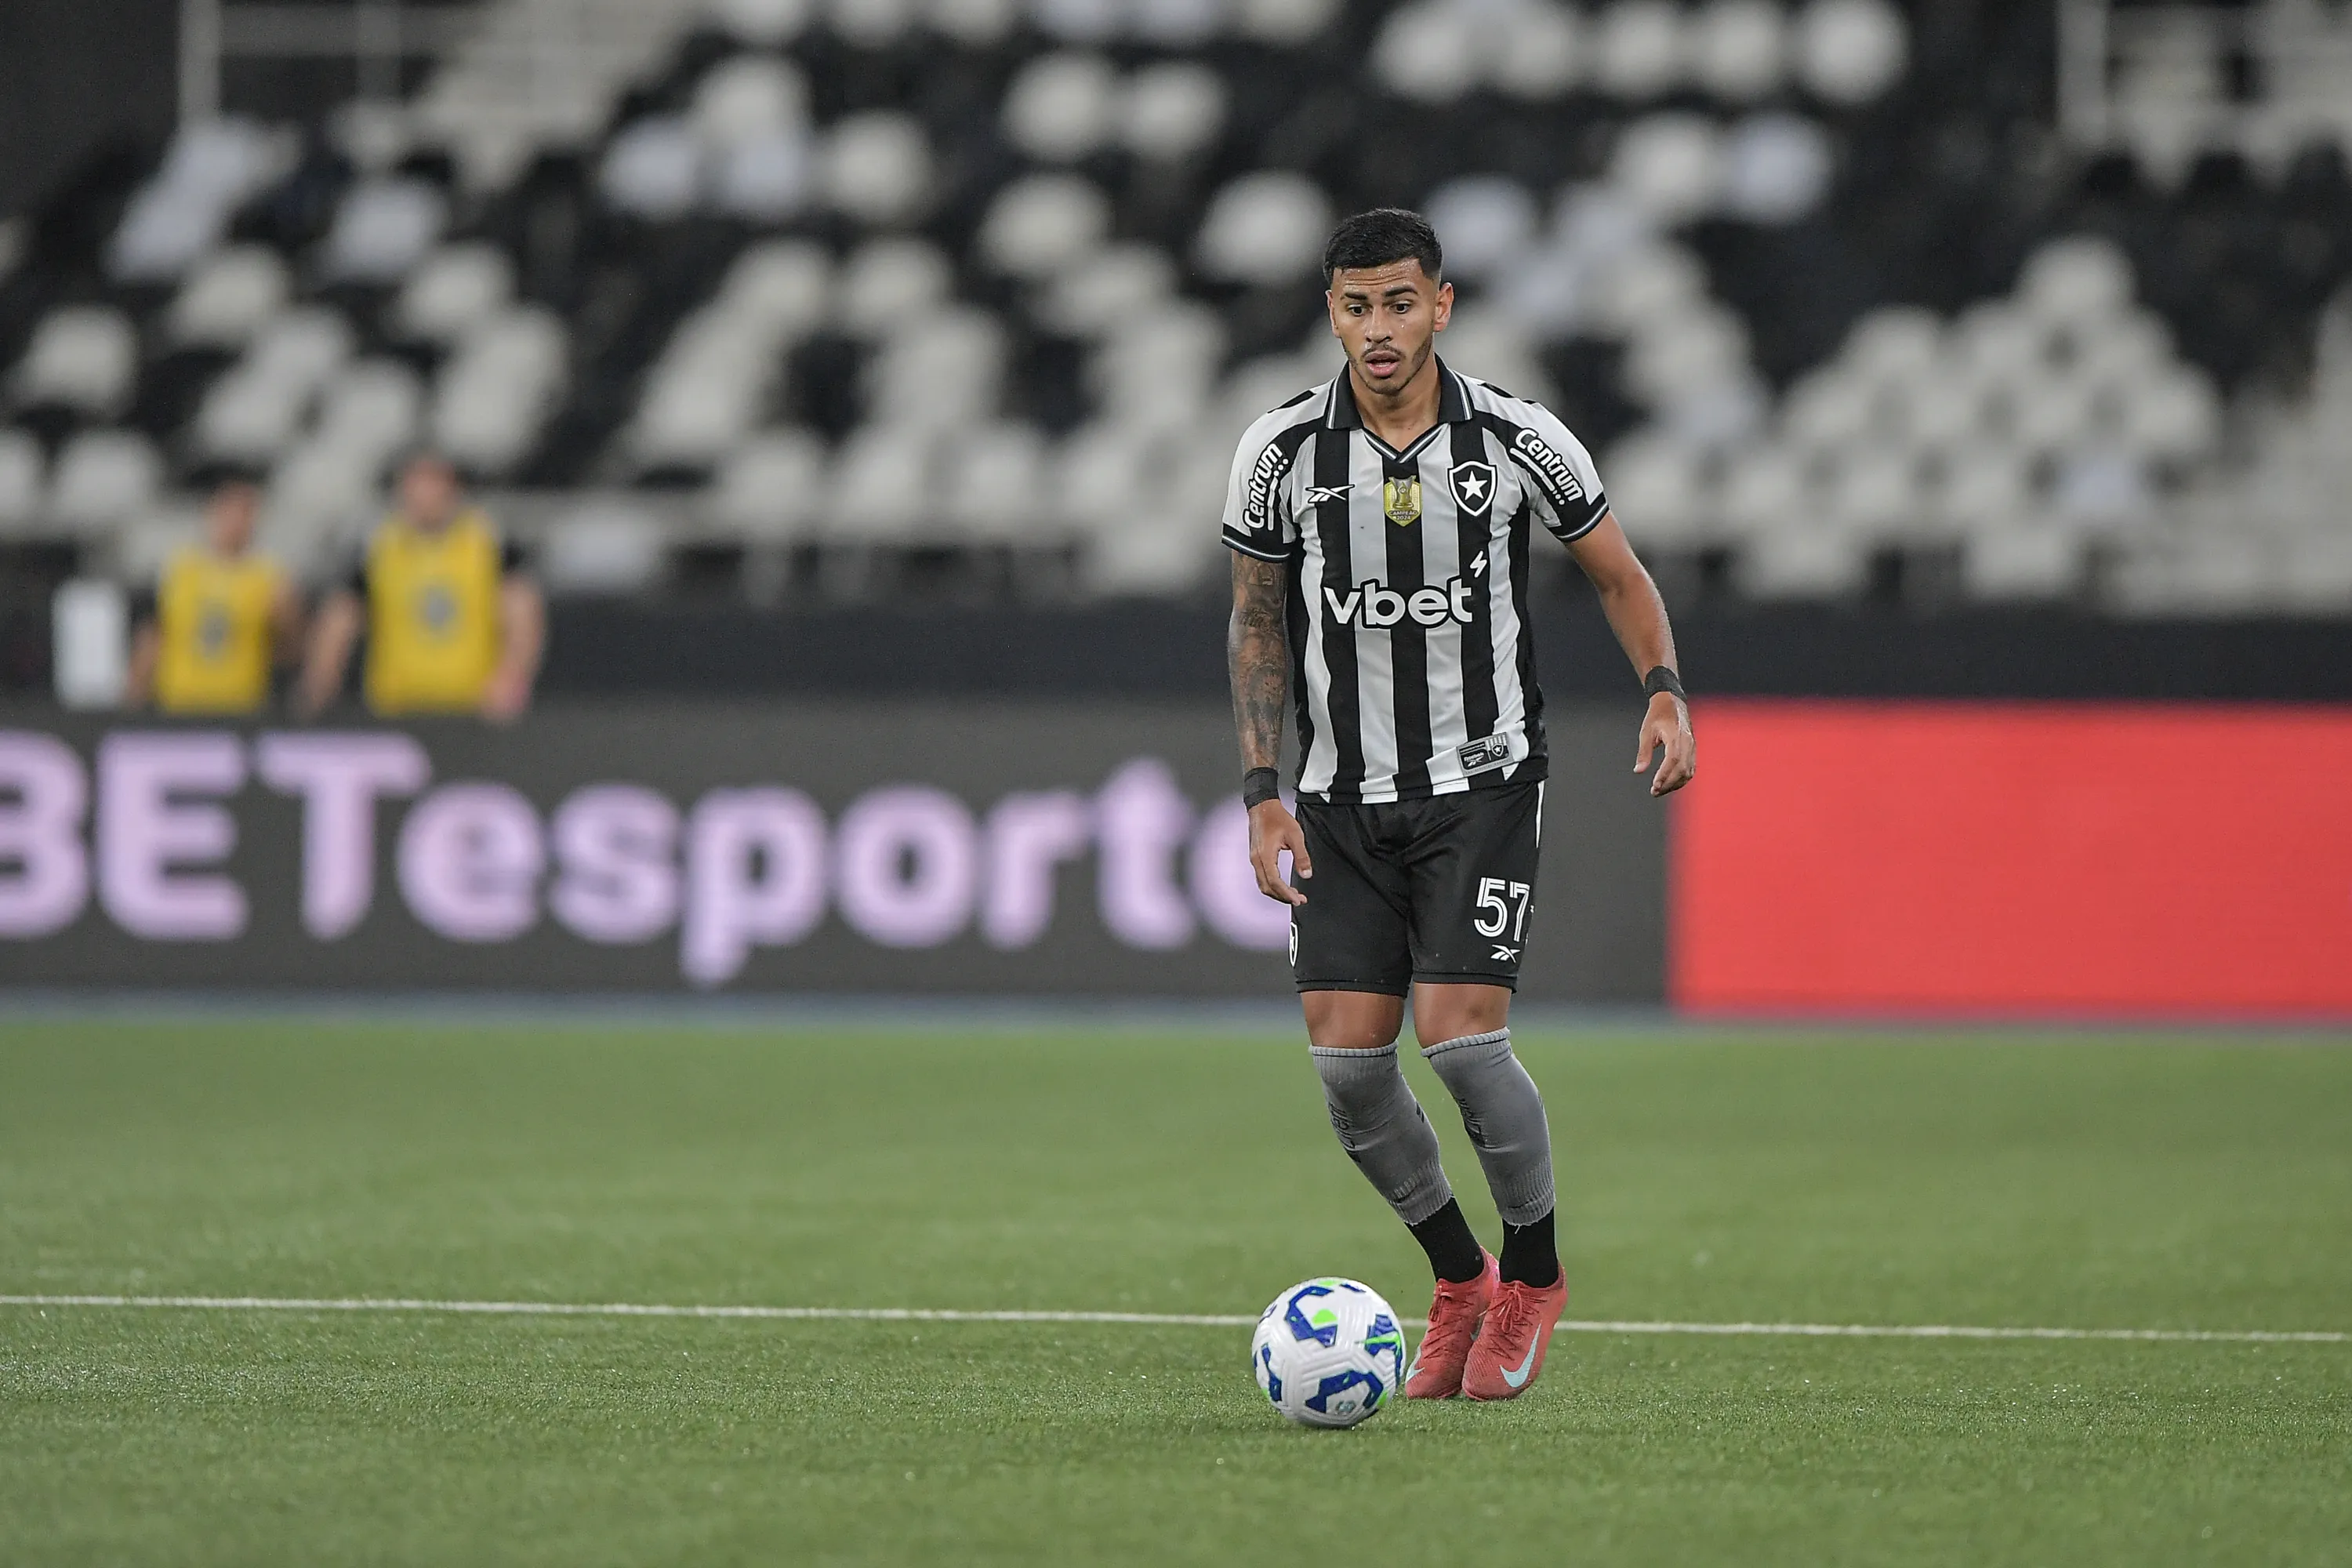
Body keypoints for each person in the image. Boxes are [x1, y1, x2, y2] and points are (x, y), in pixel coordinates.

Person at [1223, 209, 1697, 1403]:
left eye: (1397, 303)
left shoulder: (1521, 442)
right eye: (1353, 306)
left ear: (1443, 305)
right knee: (1347, 1072)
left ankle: (1534, 1274)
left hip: (1479, 782)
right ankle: (1458, 1274)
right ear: (1330, 312)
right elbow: (1255, 619)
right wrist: (1262, 790)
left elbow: (1618, 573)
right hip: (1337, 800)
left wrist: (1664, 691)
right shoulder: (1278, 452)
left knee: (1462, 1038)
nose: (1376, 330)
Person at [298, 451, 543, 721]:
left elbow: (522, 613)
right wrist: (320, 686)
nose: (422, 494)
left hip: (470, 705)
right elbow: (340, 619)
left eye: (432, 482)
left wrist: (510, 678)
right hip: (396, 706)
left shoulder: (487, 541)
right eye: (414, 482)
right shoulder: (379, 546)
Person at [125, 477, 302, 714]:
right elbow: (155, 634)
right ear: (214, 512)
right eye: (231, 510)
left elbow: (288, 651)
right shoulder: (180, 569)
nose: (238, 522)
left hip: (240, 707)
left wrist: (286, 616)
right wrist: (135, 690)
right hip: (180, 704)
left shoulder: (268, 577)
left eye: (246, 512)